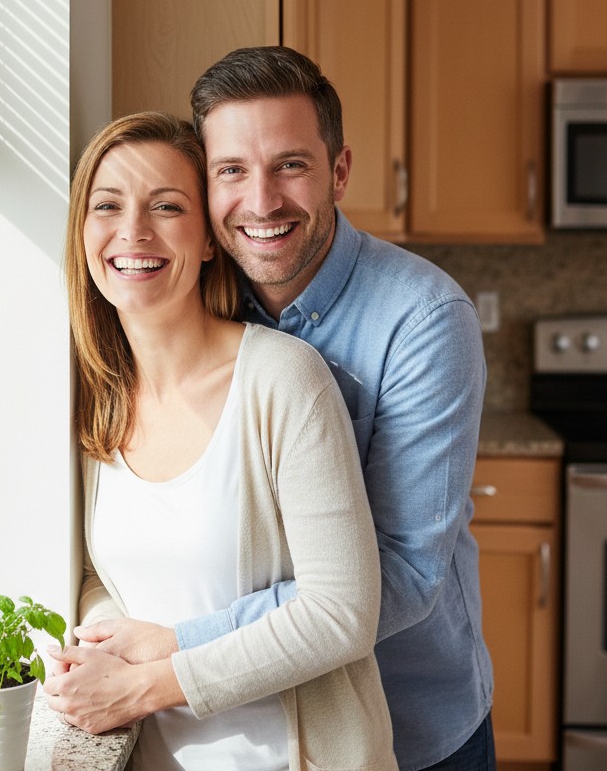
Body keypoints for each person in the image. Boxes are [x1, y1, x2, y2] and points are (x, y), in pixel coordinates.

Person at [70, 47, 494, 771]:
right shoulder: (196, 306)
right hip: (236, 720)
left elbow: (402, 576)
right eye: (232, 171)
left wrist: (175, 643)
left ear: (340, 171)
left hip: (409, 722)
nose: (262, 202)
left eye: (291, 165)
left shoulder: (422, 319)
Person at [43, 110, 396, 771]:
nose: (133, 233)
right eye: (107, 205)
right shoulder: (99, 397)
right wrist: (102, 639)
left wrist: (143, 685)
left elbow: (343, 612)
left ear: (208, 239)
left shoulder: (284, 380)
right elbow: (104, 572)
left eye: (167, 207)